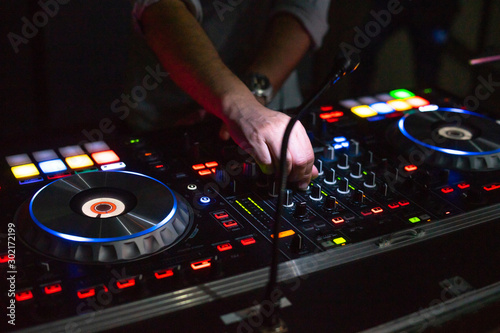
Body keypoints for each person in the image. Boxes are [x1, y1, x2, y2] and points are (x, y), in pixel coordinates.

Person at [128, 0, 332, 189]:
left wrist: (253, 98)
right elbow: (160, 8)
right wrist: (243, 107)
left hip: (272, 107)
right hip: (169, 116)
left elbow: (302, 9)